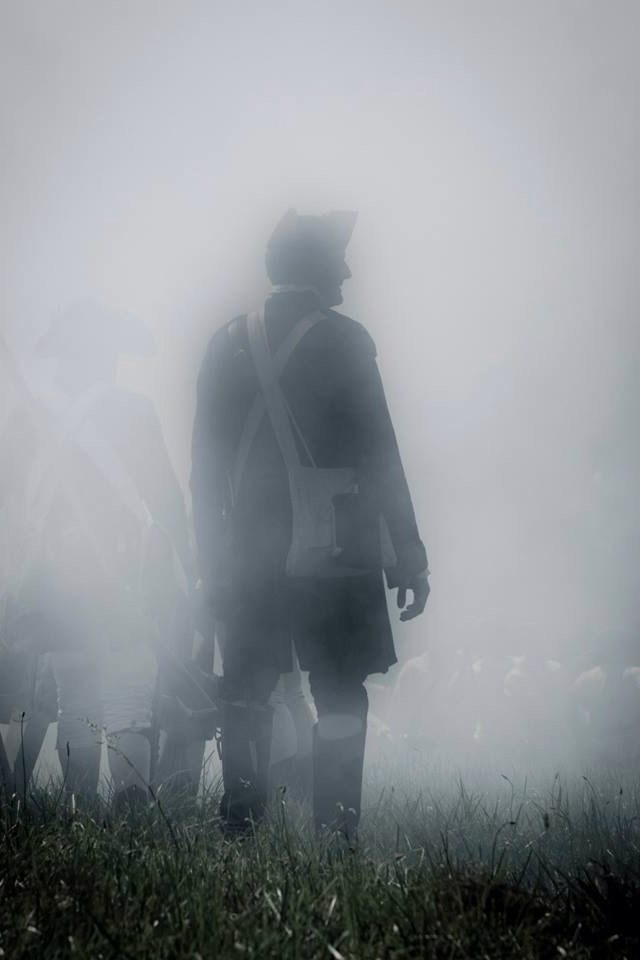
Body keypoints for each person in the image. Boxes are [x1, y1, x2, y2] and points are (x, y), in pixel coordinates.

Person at [191, 210, 429, 837]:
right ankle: (336, 832)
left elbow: (204, 475)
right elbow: (382, 455)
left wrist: (211, 564)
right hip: (337, 549)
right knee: (342, 694)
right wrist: (409, 555)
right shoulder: (347, 341)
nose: (348, 272)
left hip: (247, 555)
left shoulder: (224, 344)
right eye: (338, 259)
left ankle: (239, 829)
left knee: (244, 692)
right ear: (315, 268)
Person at [1, 302, 201, 806]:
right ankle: (131, 814)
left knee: (77, 703)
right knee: (130, 699)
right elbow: (166, 500)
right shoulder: (132, 410)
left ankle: (83, 815)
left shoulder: (31, 420)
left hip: (54, 581)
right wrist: (189, 568)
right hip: (125, 573)